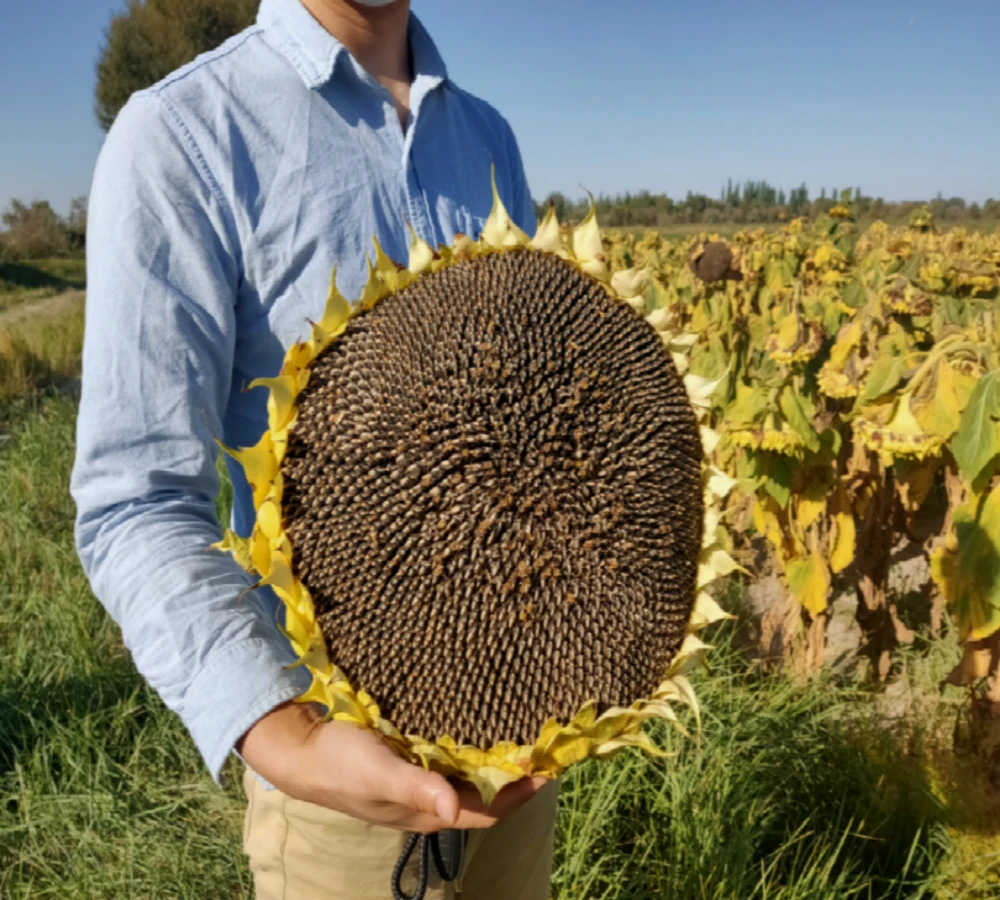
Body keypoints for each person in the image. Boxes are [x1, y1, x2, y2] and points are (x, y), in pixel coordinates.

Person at [70, 0, 558, 896]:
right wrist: (280, 730)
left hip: (527, 738)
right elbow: (135, 499)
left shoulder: (487, 137)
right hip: (341, 787)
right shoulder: (182, 134)